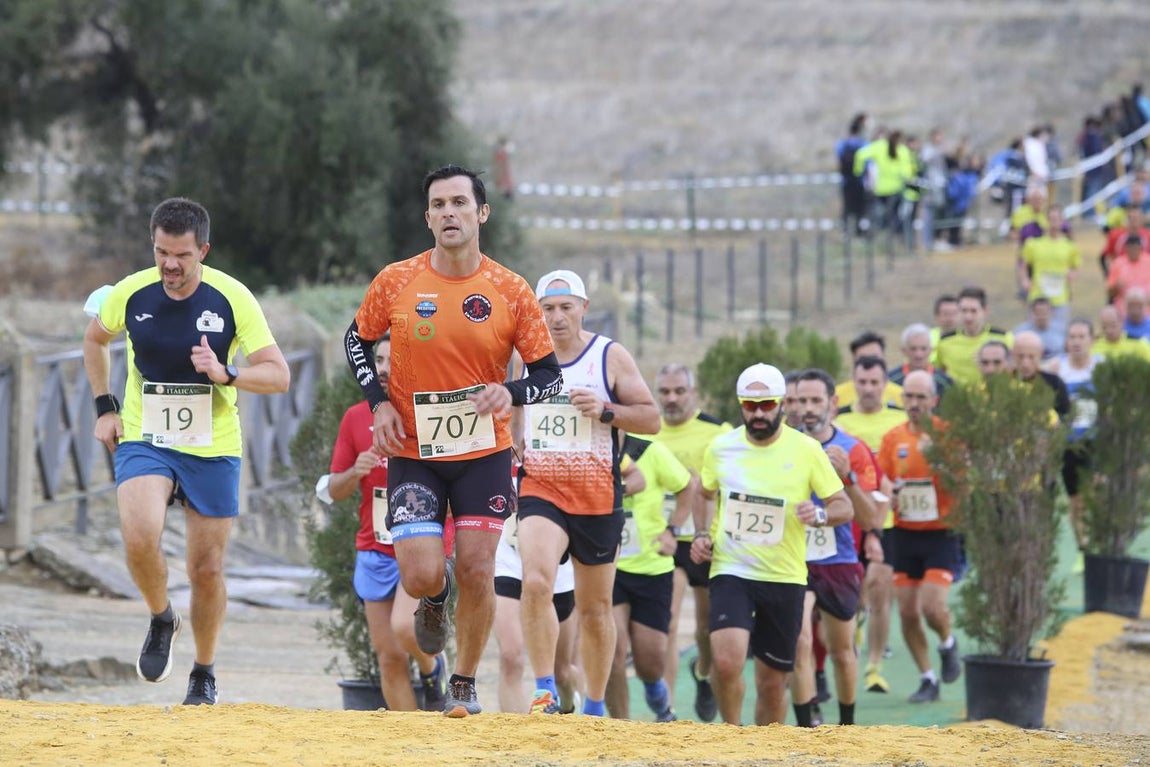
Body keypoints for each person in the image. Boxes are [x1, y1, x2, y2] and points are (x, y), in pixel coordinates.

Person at [343, 164, 562, 717]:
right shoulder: (396, 280)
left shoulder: (510, 290)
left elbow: (550, 377)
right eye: (439, 205)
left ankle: (462, 682)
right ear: (427, 218)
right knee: (420, 574)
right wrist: (379, 401)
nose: (449, 213)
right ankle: (435, 599)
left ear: (481, 213)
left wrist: (510, 392)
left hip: (483, 453)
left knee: (478, 570)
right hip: (414, 451)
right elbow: (355, 340)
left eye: (460, 203)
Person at [82, 197, 291, 706]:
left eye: (182, 255)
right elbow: (95, 340)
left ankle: (204, 669)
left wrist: (227, 373)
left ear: (204, 251)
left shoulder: (233, 298)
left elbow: (278, 375)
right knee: (139, 536)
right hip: (146, 436)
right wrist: (105, 408)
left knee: (207, 570)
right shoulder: (131, 291)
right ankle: (161, 617)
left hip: (212, 445)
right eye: (161, 253)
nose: (170, 265)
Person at [516, 269, 660, 718]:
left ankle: (594, 705)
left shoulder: (608, 356)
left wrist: (606, 410)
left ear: (583, 308)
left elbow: (651, 419)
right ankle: (544, 690)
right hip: (541, 487)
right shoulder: (524, 358)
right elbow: (512, 415)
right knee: (535, 582)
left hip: (597, 495)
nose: (556, 318)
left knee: (595, 608)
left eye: (565, 307)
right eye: (547, 309)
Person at [692, 363, 851, 725]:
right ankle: (732, 737)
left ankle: (764, 748)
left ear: (782, 405)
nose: (759, 413)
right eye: (750, 406)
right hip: (731, 568)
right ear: (740, 405)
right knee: (726, 662)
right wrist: (702, 534)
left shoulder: (807, 450)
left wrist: (819, 514)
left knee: (772, 684)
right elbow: (703, 493)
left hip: (783, 575)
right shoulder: (721, 448)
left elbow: (844, 506)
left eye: (767, 405)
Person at [321, 332, 449, 711]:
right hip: (374, 547)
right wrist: (355, 472)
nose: (383, 368)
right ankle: (411, 736)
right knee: (389, 657)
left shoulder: (431, 412)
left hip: (421, 543)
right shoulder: (356, 417)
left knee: (405, 628)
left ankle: (433, 669)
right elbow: (335, 489)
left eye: (393, 360)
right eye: (378, 360)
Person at [789, 369, 881, 727]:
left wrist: (849, 478)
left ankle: (847, 726)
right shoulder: (785, 444)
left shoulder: (853, 449)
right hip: (792, 557)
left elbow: (871, 518)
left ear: (833, 403)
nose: (808, 408)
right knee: (799, 640)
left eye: (816, 400)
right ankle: (806, 723)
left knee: (841, 650)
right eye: (801, 400)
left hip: (837, 557)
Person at [650, 363, 730, 722]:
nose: (671, 398)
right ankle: (666, 711)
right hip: (666, 539)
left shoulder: (717, 432)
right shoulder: (647, 431)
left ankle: (703, 672)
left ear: (693, 393)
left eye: (679, 391)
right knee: (666, 623)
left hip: (706, 540)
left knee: (707, 627)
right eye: (665, 392)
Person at [877, 371, 963, 704]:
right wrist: (890, 493)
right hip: (904, 533)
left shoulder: (947, 436)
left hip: (940, 533)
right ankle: (927, 677)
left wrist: (942, 464)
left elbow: (962, 478)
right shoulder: (892, 438)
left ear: (934, 401)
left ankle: (947, 642)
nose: (914, 403)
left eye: (920, 397)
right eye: (909, 397)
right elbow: (882, 480)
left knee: (931, 607)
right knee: (908, 613)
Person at [606, 434, 697, 722]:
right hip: (607, 565)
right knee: (612, 651)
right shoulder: (590, 447)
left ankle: (660, 703)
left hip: (651, 568)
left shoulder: (651, 452)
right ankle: (619, 727)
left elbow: (687, 487)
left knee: (650, 663)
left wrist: (673, 530)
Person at [1044, 319, 1103, 573]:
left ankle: (1101, 544)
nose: (1077, 342)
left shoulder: (1101, 367)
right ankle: (1083, 549)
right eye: (1072, 337)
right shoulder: (1057, 369)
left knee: (1097, 493)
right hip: (1069, 445)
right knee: (1077, 501)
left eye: (1082, 336)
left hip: (1097, 441)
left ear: (1092, 340)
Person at [935, 286, 1013, 385]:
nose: (968, 317)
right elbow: (939, 370)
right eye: (964, 311)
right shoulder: (945, 341)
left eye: (973, 311)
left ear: (985, 310)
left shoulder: (1003, 338)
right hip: (957, 393)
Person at [1018, 206, 1079, 330]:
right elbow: (1023, 264)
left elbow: (1075, 266)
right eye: (1051, 219)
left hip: (1060, 297)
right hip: (1038, 297)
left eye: (1057, 219)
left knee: (1059, 332)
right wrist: (1024, 280)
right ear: (1046, 221)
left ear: (1062, 221)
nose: (1054, 223)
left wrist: (1072, 274)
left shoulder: (1070, 246)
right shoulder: (1033, 244)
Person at [834, 331, 903, 409]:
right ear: (853, 359)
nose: (869, 362)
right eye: (863, 358)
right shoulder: (837, 396)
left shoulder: (901, 396)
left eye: (874, 357)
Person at [887, 322, 954, 397]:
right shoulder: (890, 380)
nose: (918, 354)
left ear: (931, 350)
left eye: (923, 349)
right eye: (913, 349)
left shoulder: (945, 383)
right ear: (904, 350)